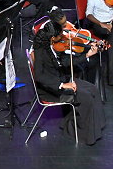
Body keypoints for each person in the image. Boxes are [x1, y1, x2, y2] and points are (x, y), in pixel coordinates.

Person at [31, 16, 105, 146]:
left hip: (61, 79)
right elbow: (39, 77)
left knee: (93, 89)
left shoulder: (53, 46)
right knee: (86, 98)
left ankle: (96, 127)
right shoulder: (40, 52)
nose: (63, 37)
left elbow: (65, 62)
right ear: (52, 38)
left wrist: (87, 54)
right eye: (60, 35)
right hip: (51, 89)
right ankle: (79, 132)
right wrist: (62, 85)